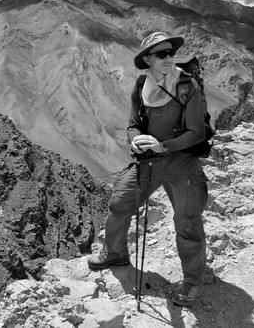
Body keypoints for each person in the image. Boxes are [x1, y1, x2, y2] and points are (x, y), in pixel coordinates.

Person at [87, 31, 209, 307]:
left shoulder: (188, 86)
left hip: (181, 161)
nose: (168, 59)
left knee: (186, 220)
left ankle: (192, 281)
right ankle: (115, 252)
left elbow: (197, 132)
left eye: (170, 53)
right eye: (161, 54)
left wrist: (162, 145)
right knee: (120, 202)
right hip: (148, 159)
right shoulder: (141, 86)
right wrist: (136, 140)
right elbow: (133, 124)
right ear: (148, 60)